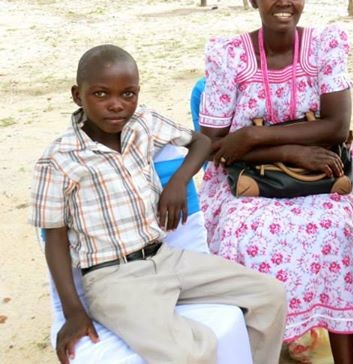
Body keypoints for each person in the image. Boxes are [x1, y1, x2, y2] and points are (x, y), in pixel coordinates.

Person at [29, 44, 287, 364]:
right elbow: (54, 239)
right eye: (100, 94)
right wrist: (72, 313)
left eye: (128, 93)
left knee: (270, 296)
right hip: (114, 279)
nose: (116, 105)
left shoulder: (142, 123)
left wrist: (178, 181)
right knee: (193, 351)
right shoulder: (57, 160)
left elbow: (201, 141)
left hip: (167, 258)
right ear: (77, 95)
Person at [198, 0, 353, 363]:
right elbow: (214, 142)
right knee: (242, 229)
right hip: (245, 180)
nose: (283, 3)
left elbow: (336, 126)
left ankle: (343, 354)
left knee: (331, 226)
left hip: (321, 173)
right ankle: (260, 344)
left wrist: (253, 138)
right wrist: (291, 147)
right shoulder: (230, 56)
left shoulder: (325, 46)